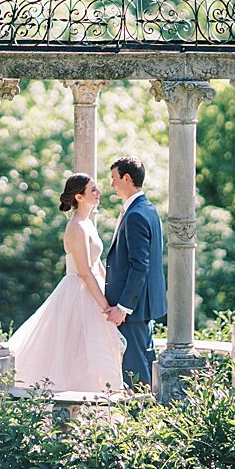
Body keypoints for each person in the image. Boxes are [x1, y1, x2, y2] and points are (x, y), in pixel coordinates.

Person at [6, 173, 126, 392]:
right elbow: (85, 272)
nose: (98, 193)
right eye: (93, 190)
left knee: (93, 351)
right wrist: (105, 307)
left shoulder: (88, 223)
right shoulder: (76, 227)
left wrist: (112, 291)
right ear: (79, 197)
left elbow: (97, 263)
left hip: (93, 289)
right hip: (78, 292)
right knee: (73, 349)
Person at [104, 156, 167, 388]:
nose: (111, 185)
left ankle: (140, 420)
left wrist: (123, 307)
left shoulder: (136, 215)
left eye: (114, 178)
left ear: (127, 178)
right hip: (144, 306)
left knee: (135, 372)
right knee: (144, 362)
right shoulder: (148, 209)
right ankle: (148, 418)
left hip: (135, 309)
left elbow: (140, 266)